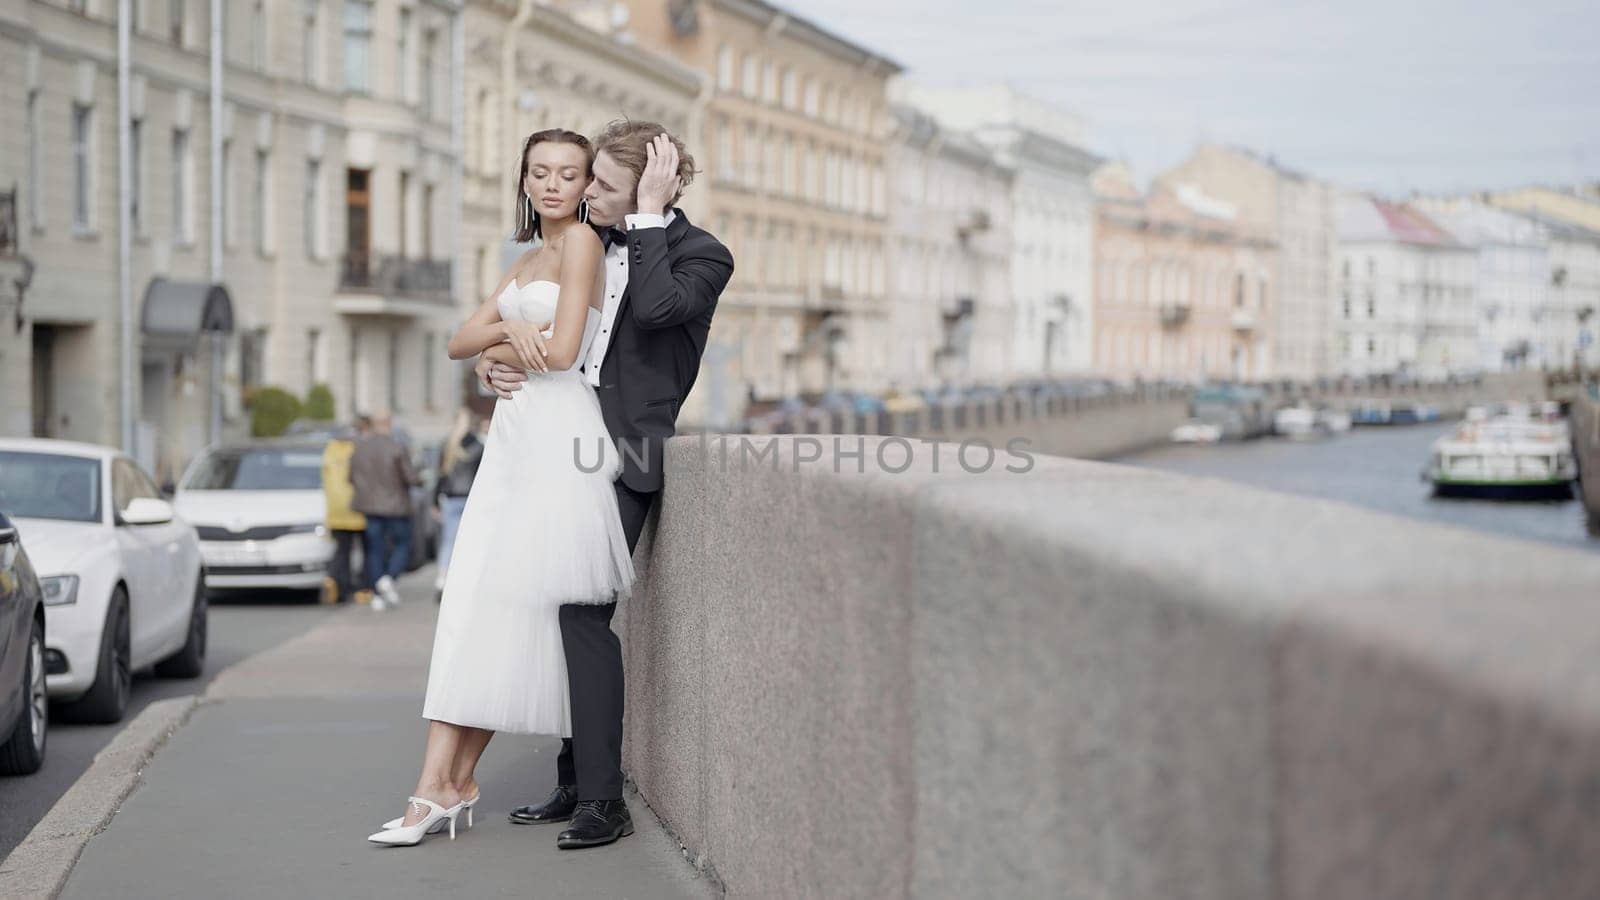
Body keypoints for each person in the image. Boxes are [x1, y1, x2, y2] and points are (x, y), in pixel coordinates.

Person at [367, 129, 635, 846]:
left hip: (558, 437)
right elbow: (457, 338)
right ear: (523, 181)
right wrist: (494, 352)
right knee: (477, 602)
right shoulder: (524, 257)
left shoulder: (581, 245)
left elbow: (562, 351)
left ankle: (444, 788)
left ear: (585, 185)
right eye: (539, 172)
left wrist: (501, 344)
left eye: (568, 174)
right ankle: (442, 786)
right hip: (514, 438)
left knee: (510, 605)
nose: (552, 185)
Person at [482, 121, 733, 849]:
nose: (585, 193)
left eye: (604, 186)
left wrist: (648, 213)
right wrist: (494, 364)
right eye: (587, 179)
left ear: (661, 186)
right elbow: (530, 326)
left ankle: (604, 798)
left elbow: (655, 310)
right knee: (550, 608)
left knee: (583, 613)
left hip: (623, 457)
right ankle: (572, 777)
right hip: (553, 439)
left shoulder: (703, 255)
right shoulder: (581, 244)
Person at [349, 410, 420, 612]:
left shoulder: (359, 448)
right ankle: (389, 578)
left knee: (374, 549)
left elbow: (350, 476)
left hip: (369, 507)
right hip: (395, 506)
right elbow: (410, 477)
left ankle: (379, 589)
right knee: (402, 544)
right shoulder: (396, 446)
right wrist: (419, 479)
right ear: (389, 424)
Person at [431, 410, 488, 602]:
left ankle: (441, 580)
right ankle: (467, 581)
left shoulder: (448, 445)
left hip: (450, 499)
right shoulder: (478, 445)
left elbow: (440, 475)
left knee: (448, 542)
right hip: (471, 499)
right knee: (471, 542)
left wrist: (434, 501)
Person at [321, 415, 371, 604]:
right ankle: (362, 588)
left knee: (342, 550)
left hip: (335, 508)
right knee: (367, 549)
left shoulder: (330, 450)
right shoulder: (357, 449)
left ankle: (336, 581)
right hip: (358, 506)